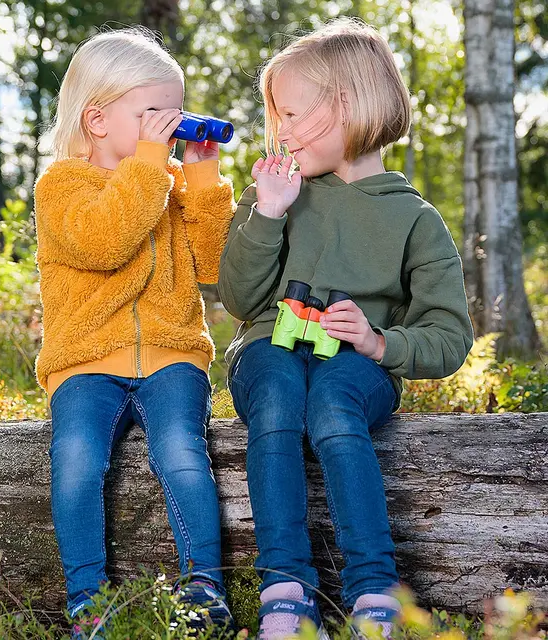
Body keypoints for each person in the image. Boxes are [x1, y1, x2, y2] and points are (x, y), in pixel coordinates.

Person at [217, 18, 473, 640]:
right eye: (274, 114)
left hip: (357, 364)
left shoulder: (415, 220)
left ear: (351, 107)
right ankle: (284, 587)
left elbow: (448, 334)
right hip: (266, 346)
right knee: (277, 389)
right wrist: (268, 214)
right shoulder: (277, 192)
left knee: (333, 401)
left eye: (293, 113)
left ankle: (373, 590)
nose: (280, 129)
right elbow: (238, 298)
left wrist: (380, 342)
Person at [34, 27, 237, 638]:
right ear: (97, 119)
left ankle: (205, 585)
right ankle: (85, 597)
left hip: (173, 354)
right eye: (153, 112)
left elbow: (215, 268)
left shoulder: (169, 183)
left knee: (180, 450)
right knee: (76, 460)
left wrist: (201, 180)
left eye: (173, 110)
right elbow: (104, 240)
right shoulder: (61, 185)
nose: (169, 125)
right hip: (86, 359)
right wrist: (154, 167)